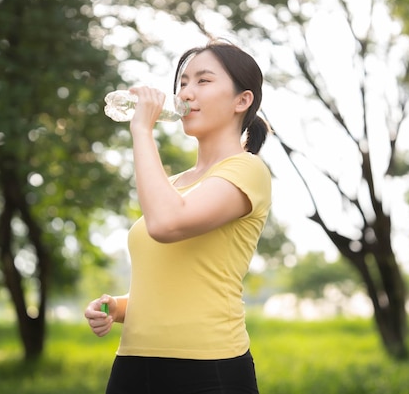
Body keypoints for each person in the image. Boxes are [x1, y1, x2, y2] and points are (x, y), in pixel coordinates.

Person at [84, 40, 272, 394]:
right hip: (132, 365)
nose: (186, 92)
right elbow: (177, 278)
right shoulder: (170, 185)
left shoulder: (247, 170)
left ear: (241, 101)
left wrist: (141, 131)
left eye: (203, 81)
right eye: (183, 82)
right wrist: (119, 306)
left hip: (207, 368)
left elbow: (166, 225)